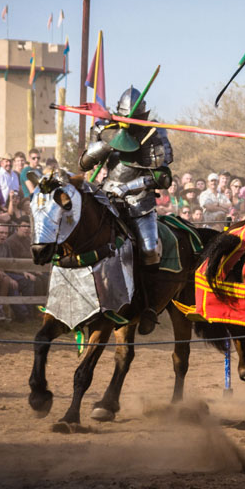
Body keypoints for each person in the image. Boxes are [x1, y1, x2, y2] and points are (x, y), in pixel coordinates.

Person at [78, 87, 174, 333]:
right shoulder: (104, 128)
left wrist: (130, 187)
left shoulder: (152, 132)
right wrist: (106, 145)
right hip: (107, 197)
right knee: (83, 239)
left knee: (150, 250)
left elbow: (162, 177)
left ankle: (149, 305)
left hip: (139, 201)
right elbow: (84, 163)